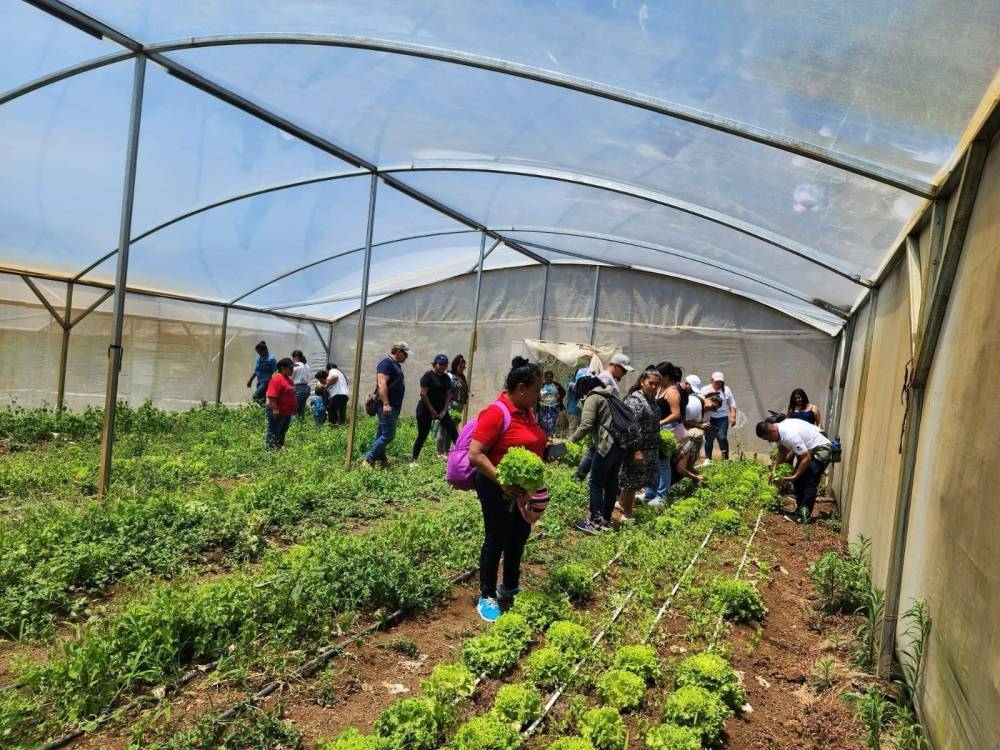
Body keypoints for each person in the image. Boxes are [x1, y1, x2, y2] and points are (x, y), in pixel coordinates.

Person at [467, 361, 547, 622]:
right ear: (521, 388)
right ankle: (487, 595)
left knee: (519, 535)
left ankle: (510, 586)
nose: (539, 396)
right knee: (497, 538)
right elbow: (475, 454)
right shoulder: (496, 413)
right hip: (495, 486)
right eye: (537, 390)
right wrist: (502, 480)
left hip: (521, 490)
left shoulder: (527, 412)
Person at [567, 375, 620, 534]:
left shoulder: (593, 397)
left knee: (595, 482)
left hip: (606, 444)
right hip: (621, 445)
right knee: (611, 482)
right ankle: (605, 519)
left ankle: (595, 522)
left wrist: (571, 441)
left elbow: (586, 424)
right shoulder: (611, 396)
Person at [756, 418, 834, 523]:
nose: (769, 441)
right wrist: (775, 471)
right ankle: (799, 512)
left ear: (772, 431)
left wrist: (796, 476)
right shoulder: (778, 431)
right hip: (810, 449)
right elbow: (782, 452)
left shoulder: (789, 435)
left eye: (768, 438)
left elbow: (806, 458)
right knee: (799, 481)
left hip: (822, 449)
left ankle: (803, 516)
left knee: (809, 481)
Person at [615, 367, 662, 523]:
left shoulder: (651, 400)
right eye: (651, 383)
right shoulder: (635, 400)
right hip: (636, 449)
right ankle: (627, 515)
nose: (654, 387)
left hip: (649, 448)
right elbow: (630, 428)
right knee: (631, 481)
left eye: (657, 384)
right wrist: (636, 449)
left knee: (637, 481)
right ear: (642, 382)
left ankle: (622, 504)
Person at [577, 352, 634, 480]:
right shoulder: (605, 378)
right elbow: (595, 399)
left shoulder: (609, 378)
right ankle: (580, 477)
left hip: (606, 422)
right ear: (615, 366)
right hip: (604, 423)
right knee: (594, 450)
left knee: (594, 450)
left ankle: (579, 477)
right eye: (623, 370)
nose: (624, 373)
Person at [642, 362, 686, 507]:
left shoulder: (672, 391)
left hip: (667, 430)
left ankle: (661, 496)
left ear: (666, 377)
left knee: (663, 463)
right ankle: (650, 493)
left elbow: (676, 414)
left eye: (660, 376)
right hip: (657, 429)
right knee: (653, 462)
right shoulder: (661, 388)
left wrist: (660, 422)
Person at [362, 342, 410, 468]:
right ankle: (368, 459)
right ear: (399, 351)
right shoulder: (386, 363)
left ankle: (381, 459)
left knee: (381, 434)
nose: (406, 357)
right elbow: (382, 384)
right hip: (387, 405)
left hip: (393, 405)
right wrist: (386, 403)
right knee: (388, 435)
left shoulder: (395, 365)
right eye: (405, 354)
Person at [412, 354, 459, 464]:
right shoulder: (428, 376)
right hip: (425, 410)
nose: (443, 366)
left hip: (441, 410)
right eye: (441, 364)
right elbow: (423, 394)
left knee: (453, 431)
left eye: (445, 364)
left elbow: (448, 394)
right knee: (422, 435)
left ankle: (461, 458)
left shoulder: (446, 377)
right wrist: (432, 411)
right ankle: (414, 460)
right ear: (435, 364)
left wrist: (444, 410)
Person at [436, 355, 470, 455]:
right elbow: (444, 391)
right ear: (455, 365)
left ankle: (446, 451)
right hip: (450, 405)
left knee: (451, 429)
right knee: (443, 429)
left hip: (459, 406)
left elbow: (463, 390)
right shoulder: (449, 376)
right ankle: (439, 452)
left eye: (464, 367)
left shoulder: (462, 377)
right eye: (460, 367)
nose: (462, 369)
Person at [701, 371, 737, 462]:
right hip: (709, 417)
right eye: (716, 381)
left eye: (720, 381)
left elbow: (732, 403)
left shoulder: (726, 390)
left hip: (722, 418)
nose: (718, 383)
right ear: (711, 380)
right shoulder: (705, 389)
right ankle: (708, 460)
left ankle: (725, 460)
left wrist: (733, 416)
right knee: (709, 438)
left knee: (722, 437)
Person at [264, 357, 296, 449]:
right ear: (283, 369)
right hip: (278, 412)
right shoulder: (277, 379)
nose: (292, 370)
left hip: (287, 412)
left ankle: (278, 448)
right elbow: (272, 396)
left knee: (282, 432)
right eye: (290, 368)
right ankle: (270, 451)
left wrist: (293, 408)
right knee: (274, 431)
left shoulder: (288, 380)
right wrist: (275, 409)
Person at [564, 362, 593, 435]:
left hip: (583, 410)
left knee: (582, 431)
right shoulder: (570, 382)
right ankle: (570, 445)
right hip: (573, 409)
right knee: (572, 429)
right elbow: (574, 387)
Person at [537, 371, 564, 437]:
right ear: (545, 377)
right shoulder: (541, 385)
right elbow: (536, 392)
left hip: (553, 406)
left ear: (552, 378)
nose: (549, 378)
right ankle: (543, 436)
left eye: (550, 377)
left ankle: (550, 436)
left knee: (552, 422)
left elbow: (563, 392)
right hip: (543, 407)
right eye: (547, 376)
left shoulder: (556, 385)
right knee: (543, 422)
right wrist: (539, 397)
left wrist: (559, 396)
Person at [290, 350, 310, 419]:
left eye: (292, 358)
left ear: (296, 357)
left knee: (294, 408)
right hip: (306, 388)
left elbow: (290, 377)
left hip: (298, 388)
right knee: (301, 409)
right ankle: (301, 425)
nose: (292, 360)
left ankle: (293, 426)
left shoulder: (296, 365)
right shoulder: (306, 365)